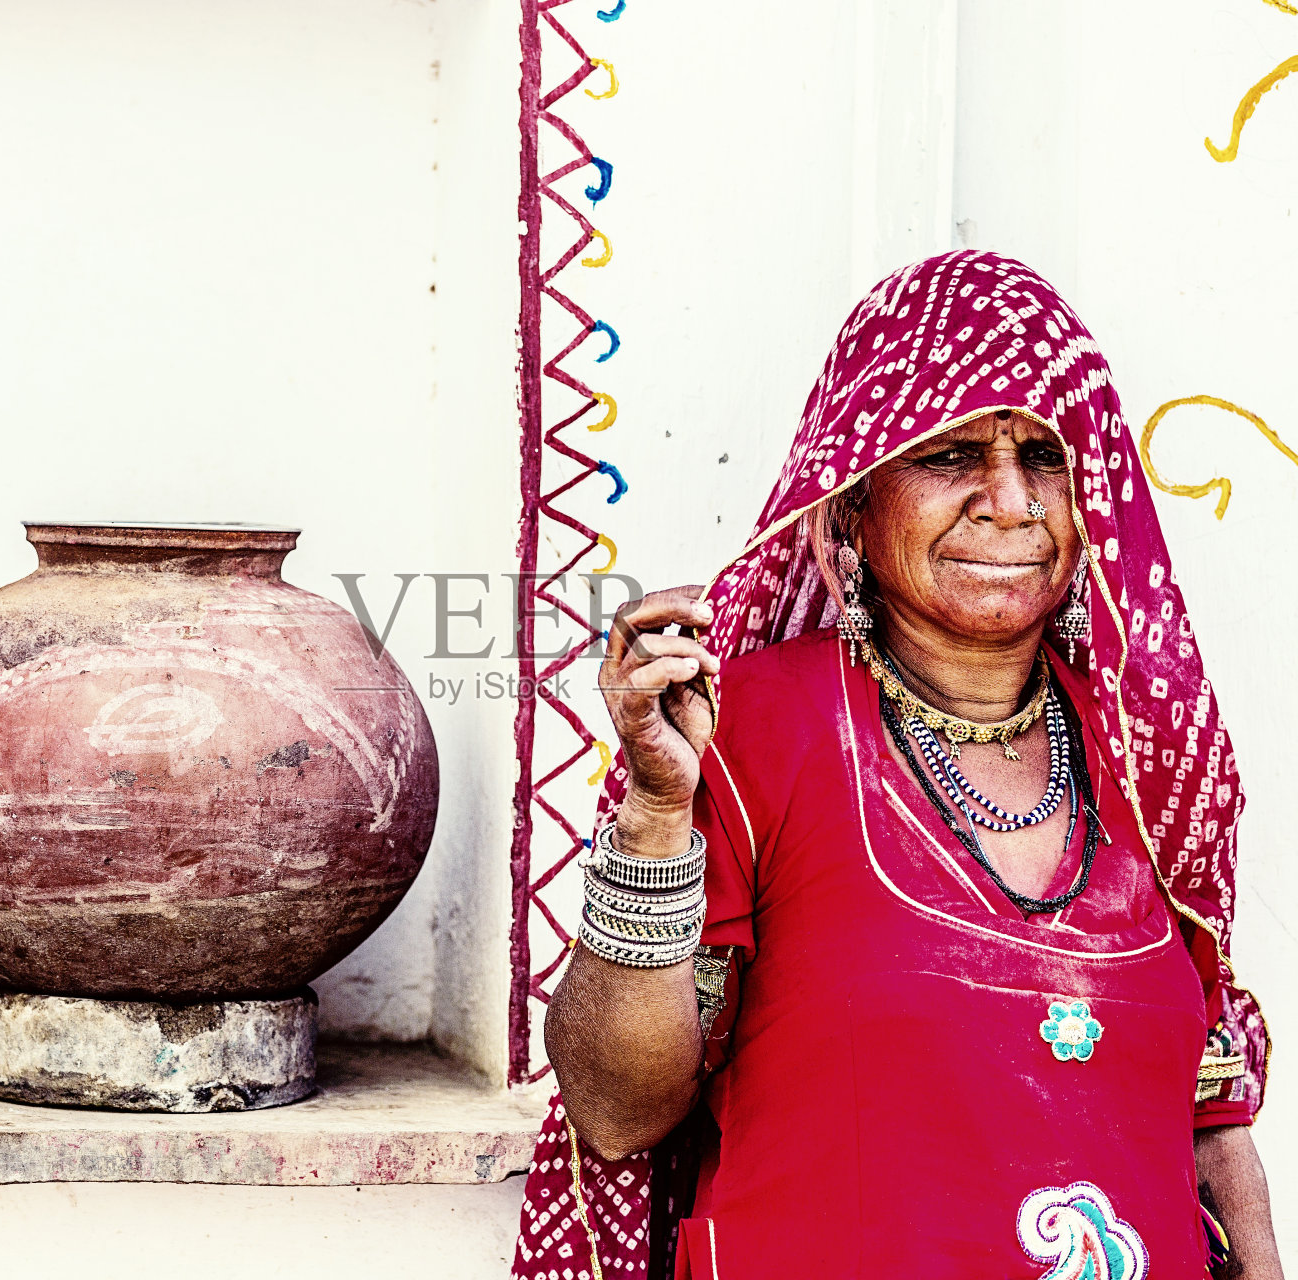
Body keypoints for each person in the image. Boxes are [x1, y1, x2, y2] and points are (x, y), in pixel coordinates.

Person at [512, 252, 1283, 1280]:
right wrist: (655, 813)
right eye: (951, 453)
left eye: (1045, 458)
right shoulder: (750, 733)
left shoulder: (1151, 755)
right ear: (848, 515)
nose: (1009, 501)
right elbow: (614, 1113)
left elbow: (1210, 1119)